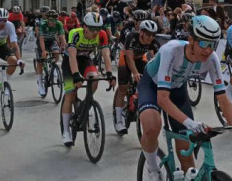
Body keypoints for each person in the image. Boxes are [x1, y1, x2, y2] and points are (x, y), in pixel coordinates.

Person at [139, 16, 232, 181]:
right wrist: (190, 122)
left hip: (178, 90)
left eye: (213, 44)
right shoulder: (171, 51)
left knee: (186, 154)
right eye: (203, 43)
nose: (208, 50)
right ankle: (153, 169)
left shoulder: (212, 59)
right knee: (152, 126)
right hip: (152, 86)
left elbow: (222, 97)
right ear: (191, 39)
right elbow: (162, 99)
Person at [60, 12, 114, 146]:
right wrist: (76, 75)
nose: (95, 32)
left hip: (85, 59)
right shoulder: (75, 33)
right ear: (84, 26)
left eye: (98, 28)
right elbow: (72, 56)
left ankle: (84, 105)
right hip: (70, 61)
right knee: (70, 94)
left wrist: (109, 73)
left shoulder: (101, 34)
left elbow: (106, 54)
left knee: (94, 79)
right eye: (92, 28)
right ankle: (66, 131)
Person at [113, 18, 159, 134]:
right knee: (123, 88)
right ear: (141, 32)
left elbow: (158, 59)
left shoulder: (153, 42)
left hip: (140, 59)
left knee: (148, 81)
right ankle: (119, 121)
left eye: (153, 35)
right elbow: (129, 57)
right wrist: (135, 73)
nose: (150, 37)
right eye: (148, 34)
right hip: (126, 58)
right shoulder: (132, 37)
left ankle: (137, 100)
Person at [34, 10, 67, 97]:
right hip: (42, 42)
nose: (53, 22)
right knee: (40, 62)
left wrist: (65, 47)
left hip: (52, 40)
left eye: (55, 20)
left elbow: (62, 37)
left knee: (56, 53)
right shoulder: (43, 24)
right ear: (47, 19)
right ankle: (40, 84)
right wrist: (43, 50)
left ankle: (53, 67)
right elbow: (41, 39)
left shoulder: (59, 24)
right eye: (51, 20)